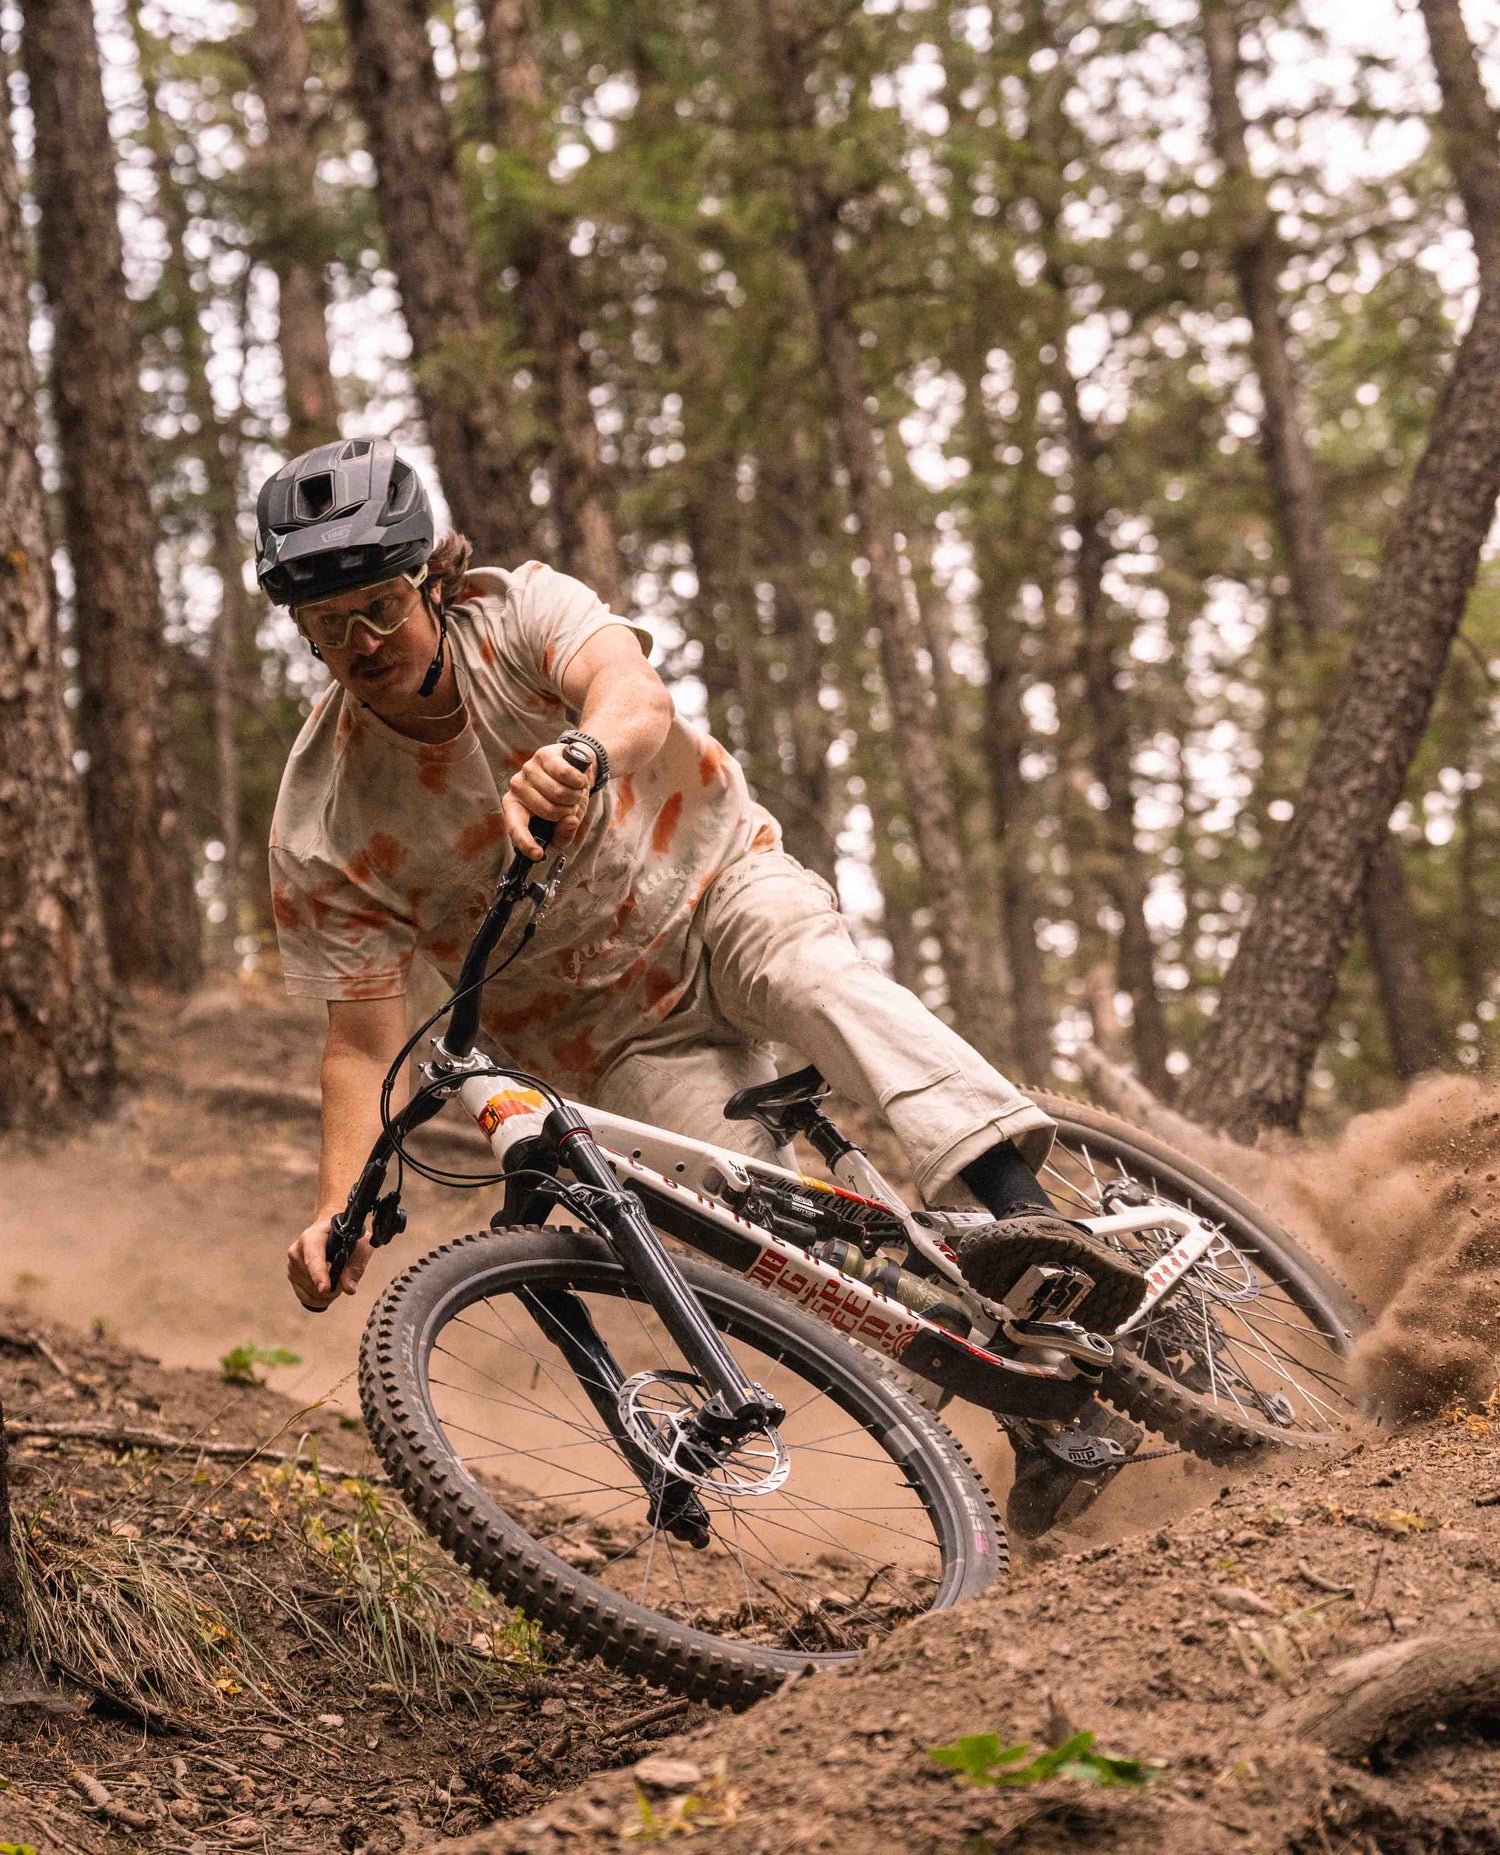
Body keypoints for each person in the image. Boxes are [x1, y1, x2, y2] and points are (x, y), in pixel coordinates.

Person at [258, 439, 1147, 1350]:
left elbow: (631, 692)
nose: (362, 643)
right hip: (610, 1038)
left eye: (381, 607)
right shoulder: (322, 820)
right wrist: (342, 1202)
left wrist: (584, 753)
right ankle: (1041, 1406)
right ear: (300, 627)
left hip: (718, 885)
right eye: (330, 624)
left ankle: (1039, 1224)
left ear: (431, 582)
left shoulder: (519, 609)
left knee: (812, 980)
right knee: (781, 1258)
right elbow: (362, 1044)